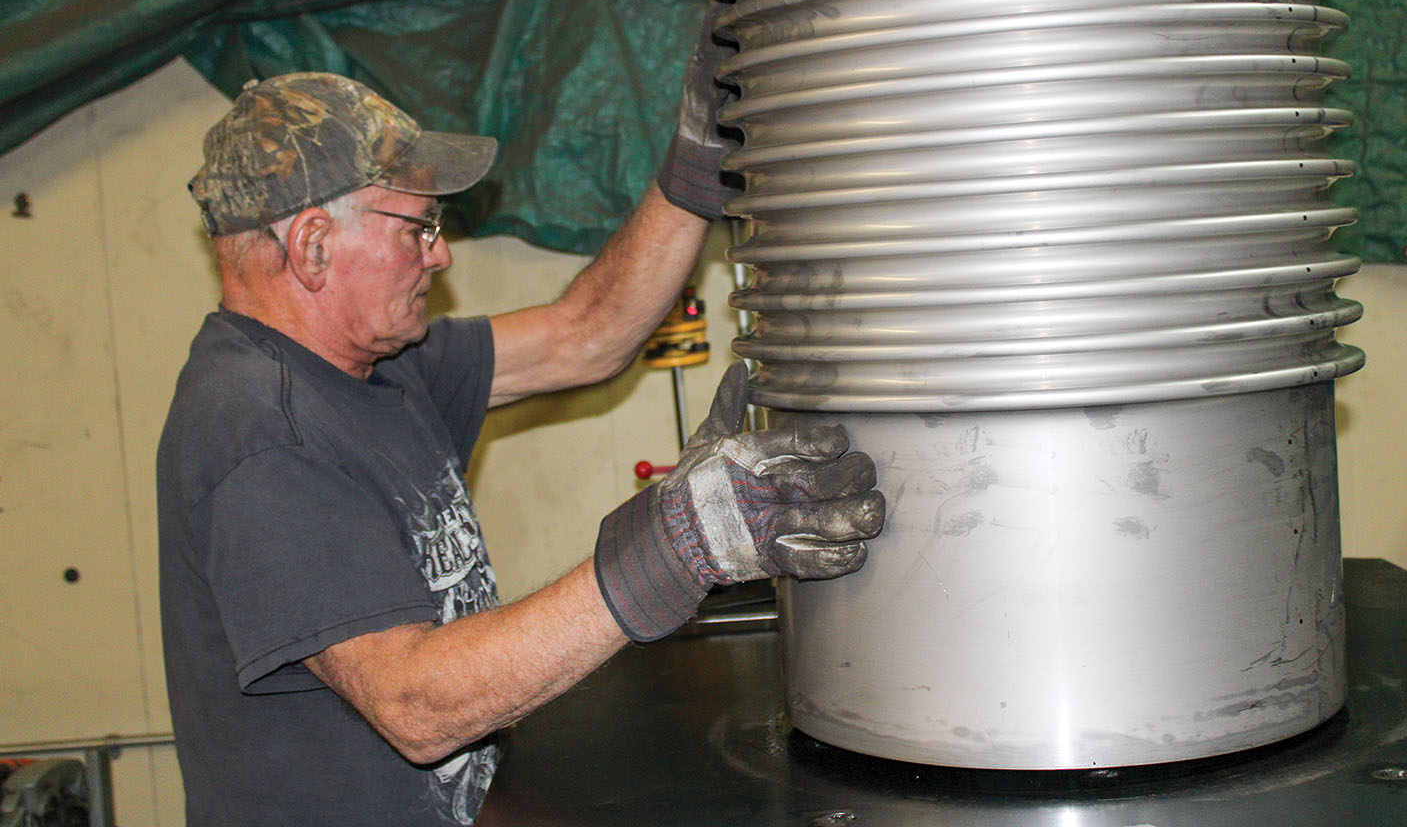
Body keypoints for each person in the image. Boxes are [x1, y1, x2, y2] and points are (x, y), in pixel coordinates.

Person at [156, 53, 885, 826]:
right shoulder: (261, 434)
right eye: (419, 227)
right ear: (311, 246)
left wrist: (694, 170)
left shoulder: (380, 364)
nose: (439, 253)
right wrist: (679, 543)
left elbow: (586, 335)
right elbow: (413, 706)